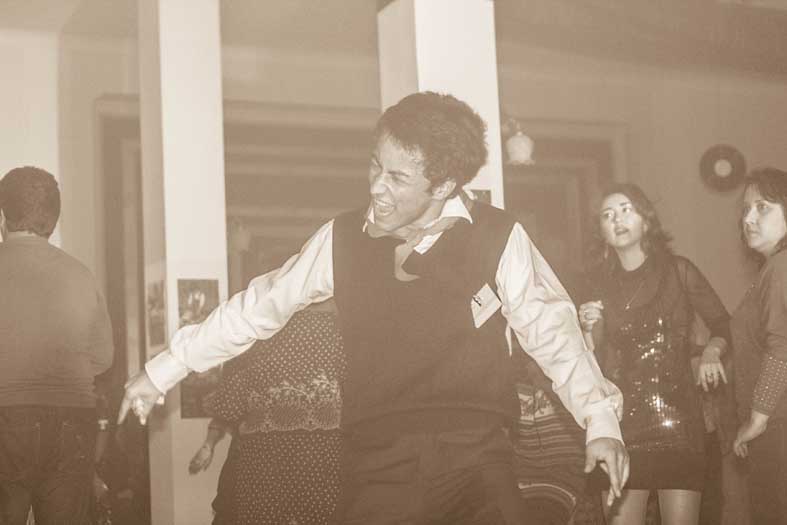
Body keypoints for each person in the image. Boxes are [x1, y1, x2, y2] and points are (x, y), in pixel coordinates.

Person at [120, 91, 628, 524]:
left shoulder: (497, 235)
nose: (376, 186)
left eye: (397, 178)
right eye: (375, 166)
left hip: (476, 457)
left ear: (443, 186)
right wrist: (163, 369)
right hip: (379, 465)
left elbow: (553, 330)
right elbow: (258, 307)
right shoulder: (341, 238)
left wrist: (600, 423)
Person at [578, 183, 731, 525]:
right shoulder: (596, 284)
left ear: (646, 221)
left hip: (678, 425)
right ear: (602, 232)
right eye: (607, 215)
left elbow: (723, 324)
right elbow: (592, 363)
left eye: (626, 210)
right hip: (620, 427)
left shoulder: (679, 271)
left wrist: (711, 351)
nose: (617, 219)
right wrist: (586, 329)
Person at [0, 166, 114, 524]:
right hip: (74, 422)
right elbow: (103, 358)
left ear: (3, 215)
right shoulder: (81, 274)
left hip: (6, 418)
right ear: (53, 220)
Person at [731, 167, 787, 524]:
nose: (749, 218)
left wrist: (757, 419)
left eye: (763, 207)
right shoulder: (773, 270)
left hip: (777, 427)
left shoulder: (781, 267)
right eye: (746, 209)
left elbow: (782, 348)